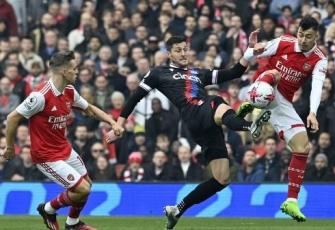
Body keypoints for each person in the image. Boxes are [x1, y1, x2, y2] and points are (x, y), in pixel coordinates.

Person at [107, 32, 270, 229]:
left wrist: (250, 52)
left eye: (185, 49)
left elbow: (234, 72)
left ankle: (178, 209)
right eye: (178, 50)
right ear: (169, 53)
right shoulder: (158, 72)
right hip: (193, 113)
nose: (183, 53)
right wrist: (119, 124)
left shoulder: (199, 73)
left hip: (205, 125)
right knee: (216, 100)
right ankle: (249, 126)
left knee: (222, 178)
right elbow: (135, 97)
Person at [0, 51, 119, 230]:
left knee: (88, 185)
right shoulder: (40, 96)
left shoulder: (69, 91)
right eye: (74, 69)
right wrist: (9, 147)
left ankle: (73, 223)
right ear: (64, 71)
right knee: (82, 190)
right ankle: (48, 209)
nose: (77, 72)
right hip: (46, 156)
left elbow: (90, 109)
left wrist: (112, 122)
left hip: (64, 148)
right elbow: (12, 118)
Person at [243, 16, 328, 222]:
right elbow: (251, 55)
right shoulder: (284, 42)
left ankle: (291, 201)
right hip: (263, 87)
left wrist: (312, 112)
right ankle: (255, 107)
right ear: (296, 31)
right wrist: (252, 48)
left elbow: (317, 87)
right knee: (275, 74)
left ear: (316, 36)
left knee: (303, 147)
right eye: (300, 33)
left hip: (282, 103)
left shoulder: (319, 59)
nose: (303, 39)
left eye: (308, 36)